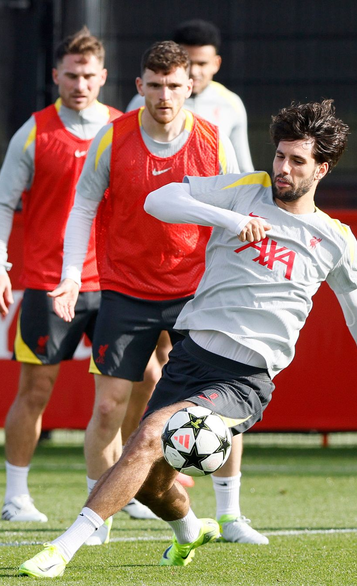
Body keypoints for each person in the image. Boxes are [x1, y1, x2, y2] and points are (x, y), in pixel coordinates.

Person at [19, 99, 357, 578]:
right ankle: (191, 532)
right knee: (152, 482)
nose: (283, 168)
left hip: (245, 379)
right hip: (192, 357)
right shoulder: (245, 191)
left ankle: (63, 548)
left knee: (150, 436)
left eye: (297, 161)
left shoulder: (334, 238)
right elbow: (158, 201)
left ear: (322, 168)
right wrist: (232, 222)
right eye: (279, 156)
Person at [46, 40, 249, 545]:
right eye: (154, 85)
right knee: (111, 407)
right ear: (139, 87)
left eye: (175, 85)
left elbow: (239, 212)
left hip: (195, 293)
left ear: (191, 86)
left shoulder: (213, 140)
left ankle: (230, 516)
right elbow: (83, 208)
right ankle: (100, 515)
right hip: (124, 290)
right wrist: (73, 274)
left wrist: (234, 283)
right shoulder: (113, 138)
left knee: (217, 407)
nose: (165, 95)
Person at [0, 27, 148, 524]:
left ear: (104, 77)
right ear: (57, 76)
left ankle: (123, 488)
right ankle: (16, 496)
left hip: (116, 283)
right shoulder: (34, 132)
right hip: (48, 280)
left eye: (89, 75)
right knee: (36, 390)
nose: (80, 83)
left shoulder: (126, 128)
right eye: (71, 75)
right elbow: (2, 203)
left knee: (133, 387)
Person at [124, 19, 263, 543]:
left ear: (211, 68)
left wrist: (244, 238)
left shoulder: (225, 111)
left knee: (223, 381)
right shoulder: (136, 119)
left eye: (201, 67)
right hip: (143, 274)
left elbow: (245, 177)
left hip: (205, 274)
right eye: (187, 66)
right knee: (147, 384)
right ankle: (146, 485)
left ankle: (230, 514)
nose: (191, 78)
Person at [126, 19, 253, 171]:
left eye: (202, 63)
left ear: (216, 63)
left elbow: (242, 170)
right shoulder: (143, 101)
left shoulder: (231, 104)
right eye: (189, 63)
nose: (194, 71)